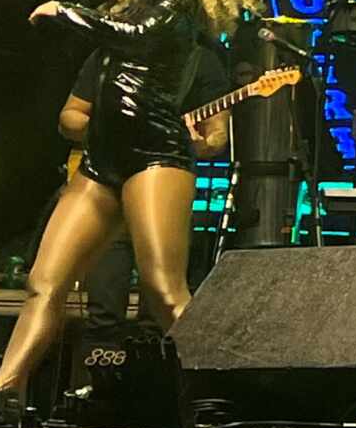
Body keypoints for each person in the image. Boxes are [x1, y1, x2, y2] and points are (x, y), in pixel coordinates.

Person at [0, 0, 260, 424]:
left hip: (155, 154)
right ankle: (3, 395)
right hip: (101, 161)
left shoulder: (182, 2)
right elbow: (117, 25)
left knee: (163, 291)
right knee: (44, 283)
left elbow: (134, 37)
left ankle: (221, 395)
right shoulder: (133, 3)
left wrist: (68, 11)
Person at [61, 23, 233, 343]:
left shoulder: (201, 61)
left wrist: (201, 143)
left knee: (161, 303)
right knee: (102, 306)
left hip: (162, 186)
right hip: (107, 186)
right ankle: (101, 368)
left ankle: (176, 366)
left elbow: (217, 135)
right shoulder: (109, 55)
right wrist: (106, 129)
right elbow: (69, 117)